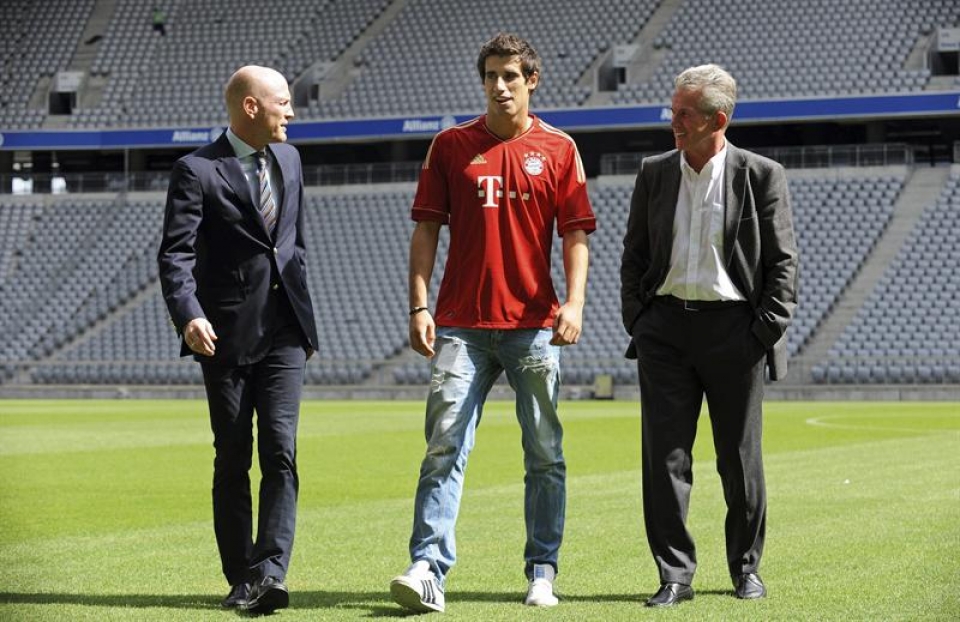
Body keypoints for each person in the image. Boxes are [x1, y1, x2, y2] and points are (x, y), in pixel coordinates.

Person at [389, 32, 596, 614]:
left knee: (545, 453)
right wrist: (419, 304)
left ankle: (542, 569)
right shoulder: (450, 146)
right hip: (459, 324)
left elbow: (575, 234)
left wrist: (575, 304)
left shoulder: (559, 149)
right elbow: (426, 228)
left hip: (533, 326)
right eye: (490, 77)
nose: (499, 87)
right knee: (443, 446)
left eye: (510, 76)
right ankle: (428, 567)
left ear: (532, 80)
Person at [619, 64, 798, 607]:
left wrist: (759, 334)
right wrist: (641, 321)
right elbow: (634, 255)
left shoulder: (762, 174)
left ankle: (746, 569)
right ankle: (674, 575)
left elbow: (783, 267)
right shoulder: (654, 172)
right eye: (673, 111)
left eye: (683, 115)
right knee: (664, 459)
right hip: (666, 331)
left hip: (734, 331)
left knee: (738, 460)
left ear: (717, 120)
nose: (673, 122)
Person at [157, 65, 318, 615]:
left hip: (285, 334)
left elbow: (293, 246)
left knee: (281, 450)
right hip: (222, 336)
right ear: (251, 107)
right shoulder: (196, 171)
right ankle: (242, 573)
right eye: (283, 103)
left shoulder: (292, 160)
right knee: (233, 457)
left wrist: (304, 316)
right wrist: (189, 315)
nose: (291, 113)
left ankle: (271, 573)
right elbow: (175, 255)